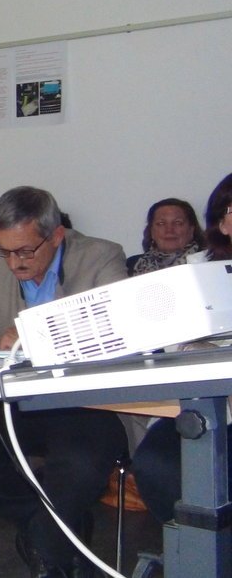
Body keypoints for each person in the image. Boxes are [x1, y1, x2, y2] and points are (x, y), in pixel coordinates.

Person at [0, 186, 129, 578]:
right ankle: (54, 530)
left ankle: (50, 548)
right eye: (4, 250)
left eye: (25, 251)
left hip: (84, 402)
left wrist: (40, 333)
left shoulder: (101, 257)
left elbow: (114, 327)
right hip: (12, 399)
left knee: (78, 466)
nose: (14, 262)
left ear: (56, 236)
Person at [132, 172, 232, 523]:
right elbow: (178, 343)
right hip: (208, 404)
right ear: (221, 223)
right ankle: (190, 545)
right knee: (156, 463)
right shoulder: (196, 271)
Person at [125, 197, 203, 275]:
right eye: (161, 223)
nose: (169, 230)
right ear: (151, 231)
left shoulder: (206, 261)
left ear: (191, 229)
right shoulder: (132, 265)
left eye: (178, 223)